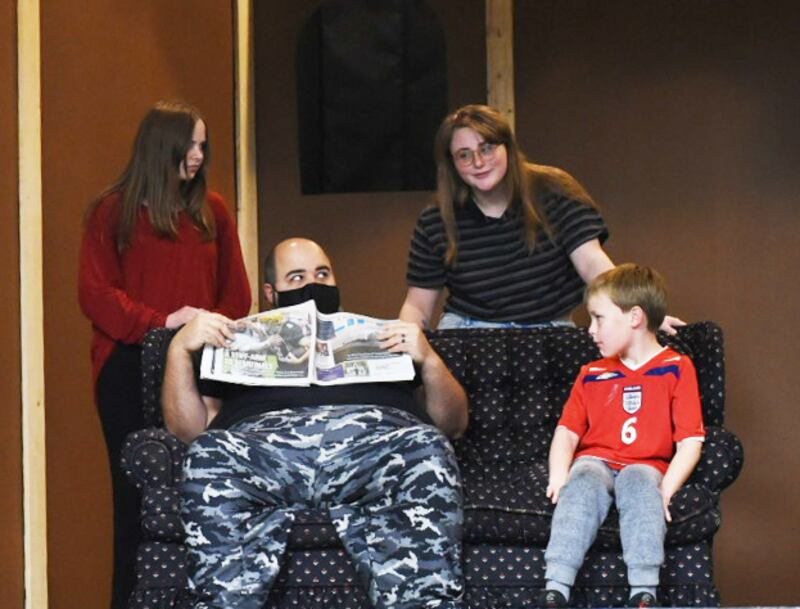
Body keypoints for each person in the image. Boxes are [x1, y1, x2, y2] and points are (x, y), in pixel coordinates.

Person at [163, 238, 469, 609]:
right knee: (207, 452)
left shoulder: (386, 337)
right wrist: (179, 349)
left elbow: (451, 426)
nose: (313, 283)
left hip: (371, 452)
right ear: (271, 292)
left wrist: (429, 358)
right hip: (268, 456)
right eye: (297, 277)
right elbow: (189, 432)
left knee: (428, 444)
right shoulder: (236, 341)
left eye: (322, 273)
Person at [78, 100, 252, 609]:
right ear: (163, 145)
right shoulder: (112, 211)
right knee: (135, 501)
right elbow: (95, 294)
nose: (199, 155)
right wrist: (164, 324)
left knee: (206, 491)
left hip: (202, 369)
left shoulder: (212, 211)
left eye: (204, 144)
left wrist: (199, 332)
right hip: (127, 368)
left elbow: (236, 296)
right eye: (191, 144)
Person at [400, 104, 684, 334]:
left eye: (487, 148)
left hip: (549, 327)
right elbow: (417, 307)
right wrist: (401, 344)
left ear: (508, 148)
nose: (478, 162)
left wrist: (638, 315)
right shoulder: (436, 219)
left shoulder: (555, 190)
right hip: (469, 331)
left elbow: (593, 265)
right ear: (452, 165)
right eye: (464, 155)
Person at [538, 264, 705, 609]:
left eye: (599, 319)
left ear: (635, 317)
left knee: (641, 482)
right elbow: (567, 432)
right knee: (582, 477)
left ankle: (643, 592)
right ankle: (556, 587)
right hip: (596, 460)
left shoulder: (676, 367)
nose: (591, 331)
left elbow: (690, 441)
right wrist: (559, 475)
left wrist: (667, 489)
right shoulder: (592, 373)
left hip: (644, 464)